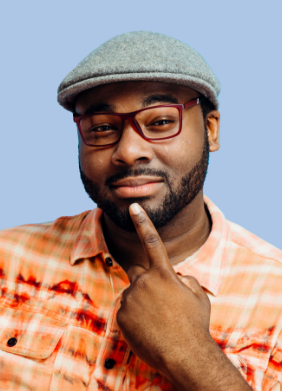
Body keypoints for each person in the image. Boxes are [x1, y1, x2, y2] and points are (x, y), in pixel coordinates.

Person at [0, 31, 281, 391]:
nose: (129, 151)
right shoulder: (9, 263)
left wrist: (192, 355)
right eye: (102, 128)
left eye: (160, 122)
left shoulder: (276, 297)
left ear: (210, 131)